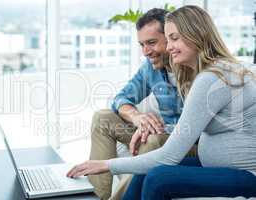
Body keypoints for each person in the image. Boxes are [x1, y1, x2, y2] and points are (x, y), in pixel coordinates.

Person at [67, 5, 256, 200]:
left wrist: (106, 165)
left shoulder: (212, 77)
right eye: (169, 39)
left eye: (174, 38)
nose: (168, 47)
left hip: (247, 176)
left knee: (158, 176)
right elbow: (123, 98)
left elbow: (170, 154)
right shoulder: (200, 72)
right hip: (216, 165)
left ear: (196, 34)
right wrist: (138, 119)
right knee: (145, 168)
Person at [86, 8, 197, 200]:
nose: (146, 51)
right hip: (165, 134)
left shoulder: (196, 69)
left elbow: (194, 129)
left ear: (171, 38)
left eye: (152, 43)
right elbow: (121, 99)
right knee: (102, 118)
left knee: (152, 138)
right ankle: (99, 196)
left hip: (191, 144)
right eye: (142, 44)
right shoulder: (150, 69)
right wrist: (137, 117)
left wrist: (151, 128)